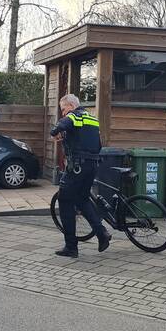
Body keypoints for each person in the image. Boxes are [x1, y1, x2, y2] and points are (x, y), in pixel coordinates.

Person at [50, 94, 111, 258]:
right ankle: (102, 233)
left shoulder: (73, 116)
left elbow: (59, 126)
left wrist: (55, 132)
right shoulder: (92, 119)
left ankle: (71, 247)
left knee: (64, 201)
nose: (63, 113)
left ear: (71, 105)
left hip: (76, 167)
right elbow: (95, 143)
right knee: (82, 199)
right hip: (92, 166)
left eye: (64, 109)